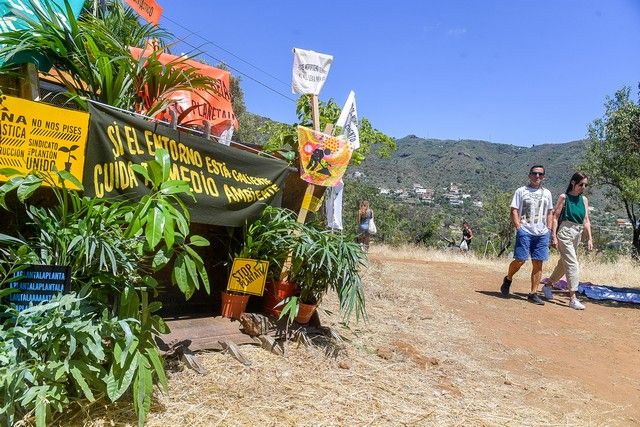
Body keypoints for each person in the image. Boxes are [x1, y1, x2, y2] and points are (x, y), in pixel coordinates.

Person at [500, 165, 554, 305]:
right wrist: (518, 227)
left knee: (538, 263)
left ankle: (533, 293)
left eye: (540, 174)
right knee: (520, 260)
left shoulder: (547, 193)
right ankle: (508, 278)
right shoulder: (521, 191)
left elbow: (550, 212)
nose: (537, 176)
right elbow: (514, 210)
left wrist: (549, 229)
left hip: (542, 233)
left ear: (544, 177)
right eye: (535, 174)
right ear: (529, 175)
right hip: (525, 230)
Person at [542, 172, 593, 310]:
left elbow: (586, 220)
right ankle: (573, 298)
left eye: (585, 185)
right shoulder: (564, 198)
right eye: (581, 184)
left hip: (578, 232)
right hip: (565, 231)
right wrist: (553, 236)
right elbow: (555, 217)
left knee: (564, 263)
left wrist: (589, 238)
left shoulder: (584, 200)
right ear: (573, 183)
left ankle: (548, 285)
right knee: (572, 263)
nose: (583, 187)